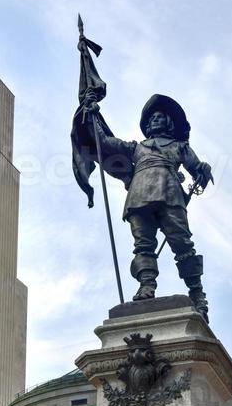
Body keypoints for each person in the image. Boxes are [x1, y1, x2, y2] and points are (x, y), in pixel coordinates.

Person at [87, 93, 213, 319]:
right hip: (139, 195)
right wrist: (92, 113)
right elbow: (104, 142)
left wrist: (203, 169)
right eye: (151, 117)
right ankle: (147, 286)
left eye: (159, 116)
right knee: (143, 245)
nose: (155, 119)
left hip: (170, 193)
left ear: (169, 122)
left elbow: (195, 168)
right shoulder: (136, 147)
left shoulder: (179, 146)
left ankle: (197, 294)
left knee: (183, 244)